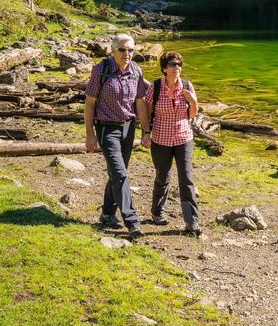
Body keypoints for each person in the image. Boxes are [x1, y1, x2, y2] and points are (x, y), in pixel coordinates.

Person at [84, 33, 150, 239]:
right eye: (122, 50)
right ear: (113, 51)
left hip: (128, 128)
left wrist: (146, 131)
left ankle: (107, 213)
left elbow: (139, 103)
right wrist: (89, 134)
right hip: (106, 129)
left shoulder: (136, 71)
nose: (127, 54)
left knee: (117, 173)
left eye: (131, 50)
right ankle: (132, 222)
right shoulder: (101, 70)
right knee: (120, 173)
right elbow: (89, 103)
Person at [140, 51, 201, 236]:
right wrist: (146, 133)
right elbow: (148, 111)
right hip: (160, 139)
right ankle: (158, 213)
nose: (177, 68)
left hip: (183, 139)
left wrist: (193, 102)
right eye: (173, 65)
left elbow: (192, 115)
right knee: (162, 176)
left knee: (186, 178)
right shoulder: (155, 87)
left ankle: (192, 222)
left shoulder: (187, 86)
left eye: (179, 65)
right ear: (164, 68)